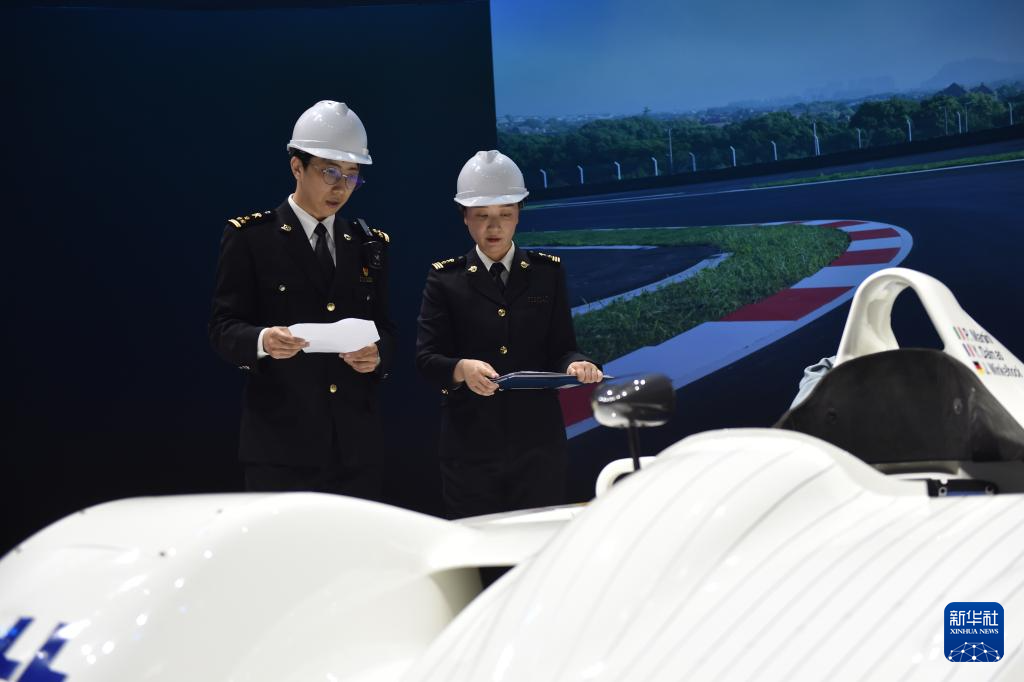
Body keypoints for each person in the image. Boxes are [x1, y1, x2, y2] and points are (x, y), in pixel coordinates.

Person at [209, 100, 395, 499]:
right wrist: (263, 340)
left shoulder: (369, 243)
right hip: (280, 447)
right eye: (330, 172)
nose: (341, 187)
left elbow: (387, 329)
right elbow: (223, 328)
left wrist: (378, 355)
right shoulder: (251, 238)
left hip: (355, 448)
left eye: (352, 175)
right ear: (297, 167)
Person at [416, 150, 603, 518]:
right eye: (482, 216)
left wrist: (577, 364)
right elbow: (426, 359)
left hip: (538, 447)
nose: (494, 227)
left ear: (519, 212)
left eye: (504, 214)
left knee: (539, 543)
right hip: (470, 448)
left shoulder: (547, 273)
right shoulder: (446, 279)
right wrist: (462, 369)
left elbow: (562, 348)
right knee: (479, 546)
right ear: (464, 216)